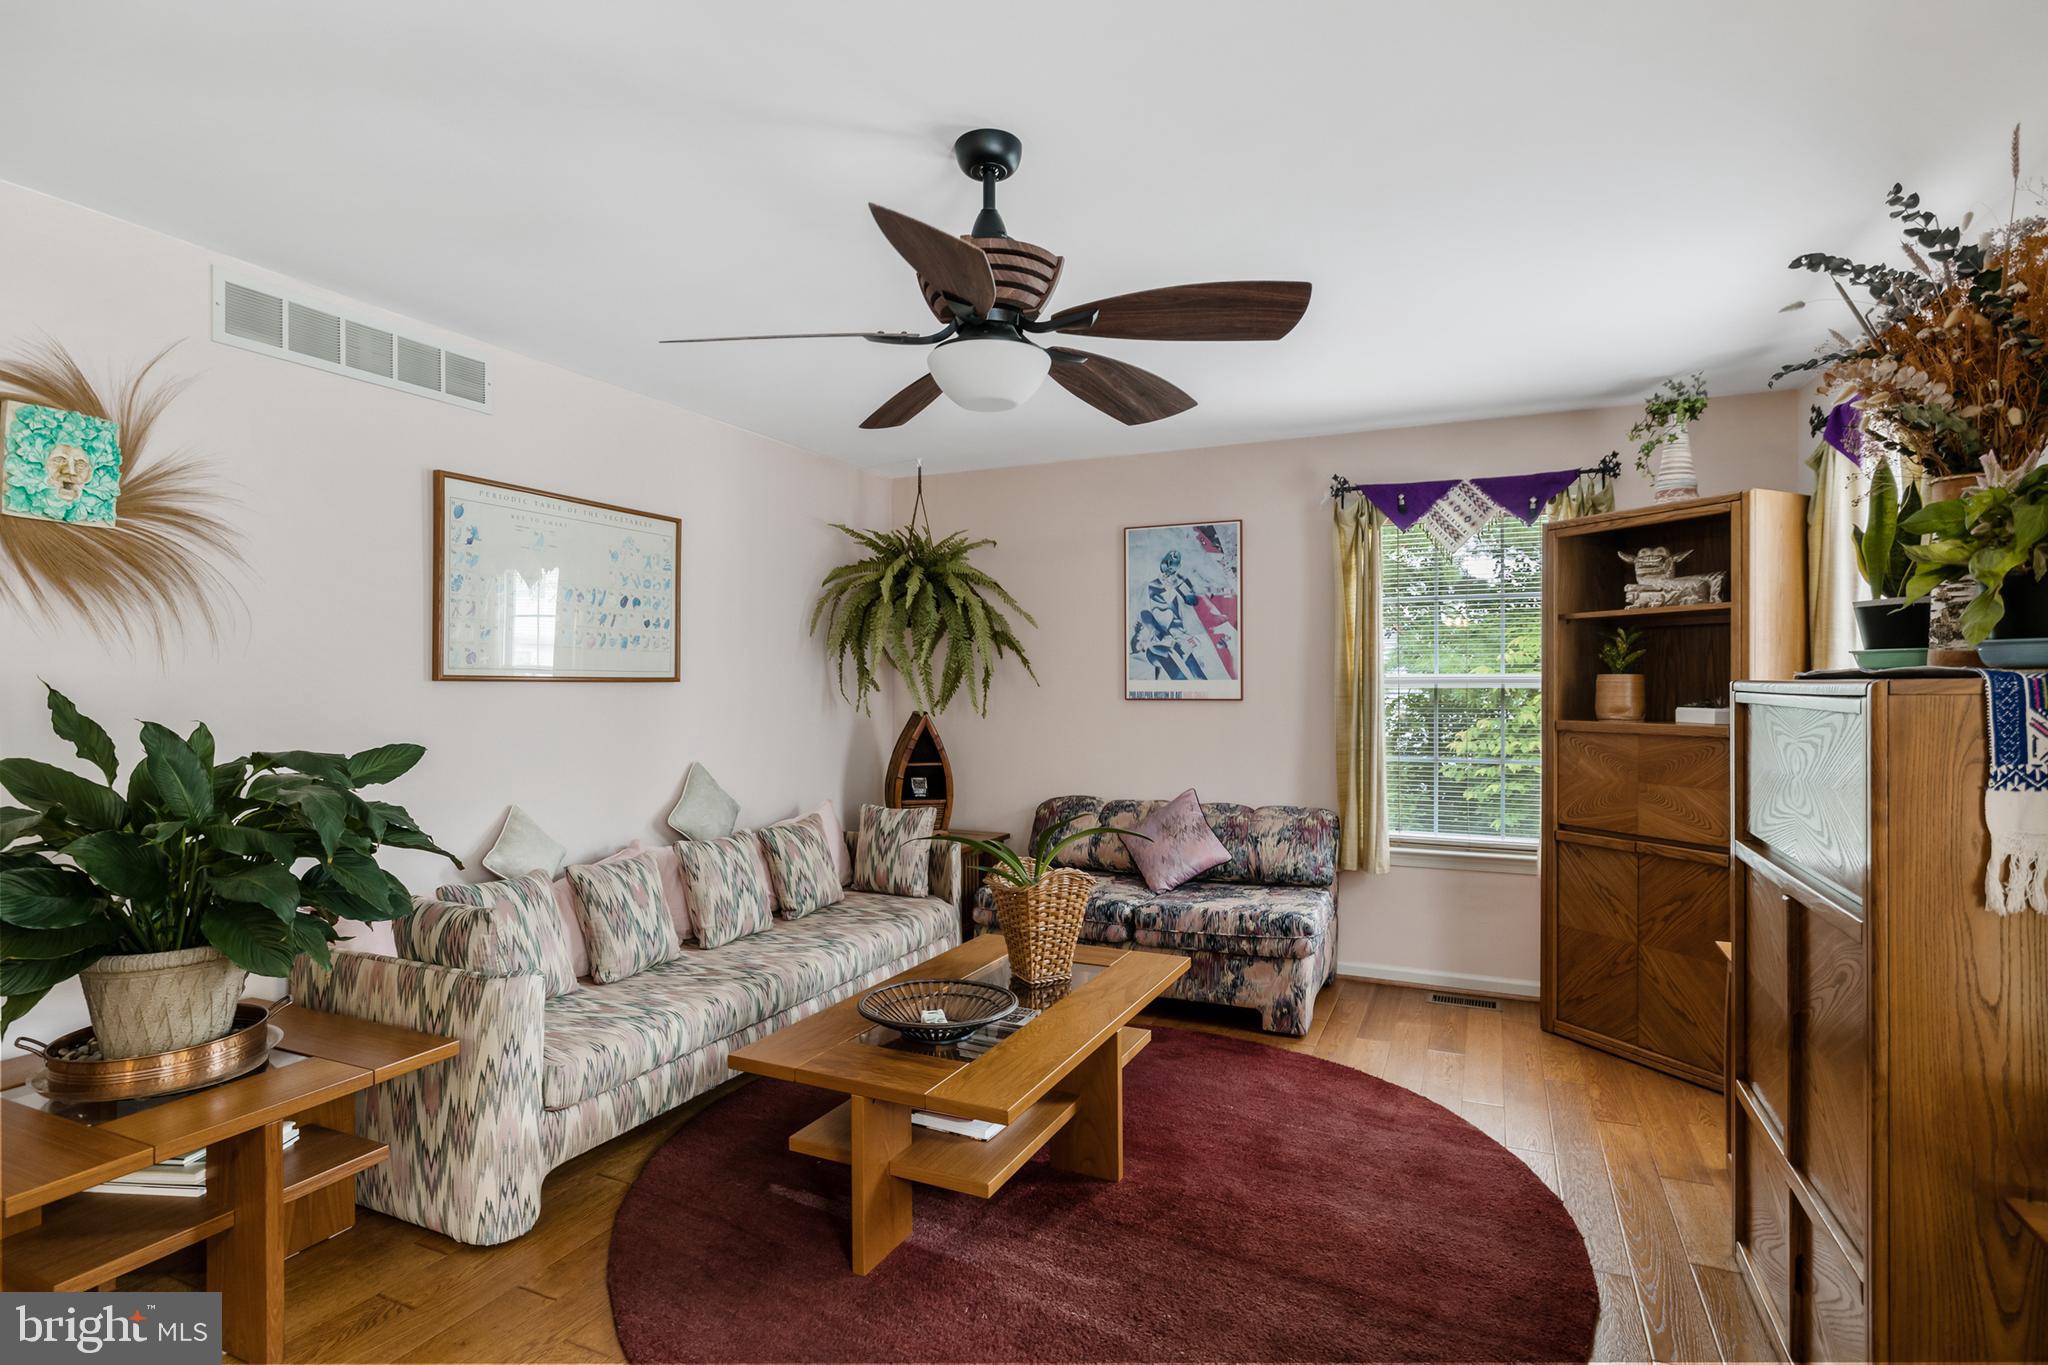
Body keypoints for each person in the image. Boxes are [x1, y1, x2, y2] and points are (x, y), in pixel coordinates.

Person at [1129, 549, 1208, 681]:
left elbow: (1192, 601)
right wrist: (1158, 633)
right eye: (1168, 565)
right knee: (1181, 676)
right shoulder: (1151, 586)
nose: (1169, 572)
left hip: (1179, 637)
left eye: (1173, 567)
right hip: (1165, 641)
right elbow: (1144, 614)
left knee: (1198, 676)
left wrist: (1181, 584)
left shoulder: (1176, 584)